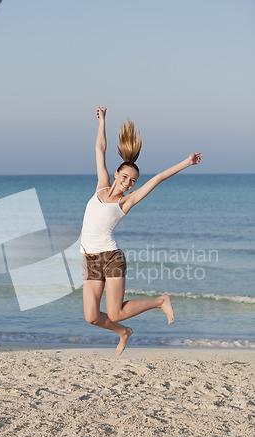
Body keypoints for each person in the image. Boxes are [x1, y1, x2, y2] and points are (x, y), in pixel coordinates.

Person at [80, 106, 202, 355]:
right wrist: (103, 121)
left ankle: (160, 301)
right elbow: (99, 149)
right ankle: (123, 332)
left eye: (132, 181)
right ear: (116, 174)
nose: (127, 183)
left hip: (110, 258)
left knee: (115, 312)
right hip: (89, 259)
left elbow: (157, 179)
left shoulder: (126, 202)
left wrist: (186, 163)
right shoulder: (101, 186)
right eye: (124, 177)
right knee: (91, 317)